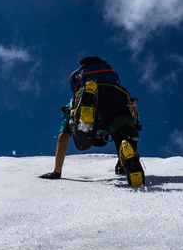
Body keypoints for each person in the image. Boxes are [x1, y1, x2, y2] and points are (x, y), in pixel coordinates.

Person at [39, 56, 145, 187]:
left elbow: (64, 135)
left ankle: (87, 111)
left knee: (82, 142)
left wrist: (57, 172)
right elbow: (134, 127)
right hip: (120, 98)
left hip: (90, 100)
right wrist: (125, 155)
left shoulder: (72, 104)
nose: (101, 134)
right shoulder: (113, 83)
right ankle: (126, 152)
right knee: (124, 134)